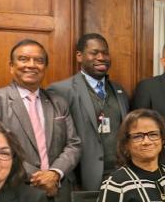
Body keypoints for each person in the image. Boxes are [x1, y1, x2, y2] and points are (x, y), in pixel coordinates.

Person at [0, 39, 81, 202]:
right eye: (23, 59)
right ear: (11, 65)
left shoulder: (58, 102)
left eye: (38, 60)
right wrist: (40, 177)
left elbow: (74, 144)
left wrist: (55, 173)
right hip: (17, 194)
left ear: (44, 67)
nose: (31, 64)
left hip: (58, 196)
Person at [48, 33, 130, 190]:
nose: (101, 57)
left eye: (105, 53)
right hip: (82, 179)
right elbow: (55, 142)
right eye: (94, 53)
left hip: (120, 175)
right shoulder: (61, 90)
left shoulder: (119, 90)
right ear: (79, 56)